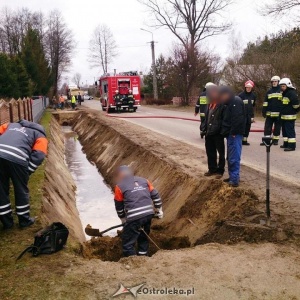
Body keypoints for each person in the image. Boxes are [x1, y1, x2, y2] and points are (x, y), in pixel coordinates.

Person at [0, 120, 48, 229]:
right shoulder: (40, 135)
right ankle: (24, 221)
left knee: (1, 190)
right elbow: (39, 155)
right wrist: (27, 171)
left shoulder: (10, 125)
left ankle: (7, 223)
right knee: (20, 189)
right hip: (18, 158)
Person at [114, 165, 163, 257]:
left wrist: (123, 219)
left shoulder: (119, 187)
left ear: (120, 175)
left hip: (134, 217)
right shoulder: (145, 181)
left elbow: (119, 206)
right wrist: (159, 210)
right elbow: (155, 195)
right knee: (143, 237)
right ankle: (143, 257)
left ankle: (133, 262)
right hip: (148, 214)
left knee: (128, 243)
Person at [220, 86, 246, 187]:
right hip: (230, 134)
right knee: (230, 156)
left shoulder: (236, 102)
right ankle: (232, 176)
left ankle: (234, 179)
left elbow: (237, 119)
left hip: (234, 134)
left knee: (234, 157)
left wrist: (233, 132)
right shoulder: (228, 103)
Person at [200, 85, 225, 179]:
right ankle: (212, 169)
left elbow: (224, 119)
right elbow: (206, 118)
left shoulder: (221, 104)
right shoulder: (209, 104)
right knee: (210, 152)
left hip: (218, 133)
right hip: (209, 132)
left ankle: (220, 170)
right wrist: (203, 129)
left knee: (220, 153)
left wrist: (222, 130)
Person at [279, 78, 300, 151]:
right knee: (284, 131)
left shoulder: (291, 93)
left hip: (290, 116)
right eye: (281, 86)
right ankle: (286, 144)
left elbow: (296, 104)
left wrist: (295, 110)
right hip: (284, 116)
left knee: (290, 131)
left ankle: (291, 146)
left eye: (283, 86)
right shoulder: (284, 93)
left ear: (288, 85)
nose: (282, 87)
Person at [260, 76, 282, 146]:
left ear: (278, 82)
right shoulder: (269, 91)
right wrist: (264, 110)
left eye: (276, 81)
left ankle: (275, 140)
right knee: (267, 127)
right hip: (269, 113)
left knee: (277, 128)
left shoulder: (281, 91)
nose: (274, 83)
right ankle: (266, 141)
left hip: (278, 113)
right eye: (273, 81)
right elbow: (266, 102)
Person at [238, 80, 256, 145]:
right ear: (245, 87)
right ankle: (240, 140)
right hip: (242, 115)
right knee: (242, 128)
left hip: (249, 115)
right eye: (247, 87)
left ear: (252, 88)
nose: (248, 89)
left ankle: (244, 140)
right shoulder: (240, 95)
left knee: (247, 128)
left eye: (250, 88)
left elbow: (253, 107)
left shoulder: (253, 96)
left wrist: (252, 116)